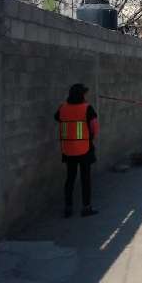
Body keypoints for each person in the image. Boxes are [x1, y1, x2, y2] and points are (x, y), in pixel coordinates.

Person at [54, 83, 100, 218]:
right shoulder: (87, 108)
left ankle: (68, 207)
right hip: (84, 148)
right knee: (85, 178)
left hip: (68, 149)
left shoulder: (63, 108)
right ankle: (86, 207)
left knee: (70, 178)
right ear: (81, 95)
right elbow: (95, 128)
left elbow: (57, 117)